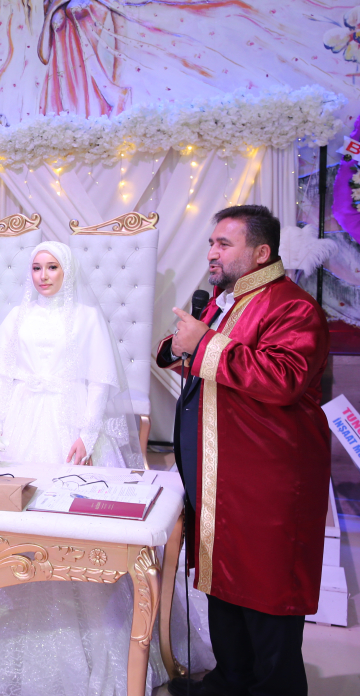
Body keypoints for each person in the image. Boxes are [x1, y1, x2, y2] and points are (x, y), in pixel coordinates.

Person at [0, 241, 201, 695]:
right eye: (36, 267)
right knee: (7, 528)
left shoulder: (86, 318)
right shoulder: (18, 316)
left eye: (52, 267)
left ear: (66, 270)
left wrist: (87, 433)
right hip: (21, 424)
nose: (43, 275)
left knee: (70, 526)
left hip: (68, 425)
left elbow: (98, 381)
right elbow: (1, 378)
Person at [158, 205, 330, 696]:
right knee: (224, 582)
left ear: (260, 252)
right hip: (223, 475)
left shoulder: (292, 307)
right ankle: (228, 682)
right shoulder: (225, 300)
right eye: (211, 243)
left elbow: (284, 379)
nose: (212, 253)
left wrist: (204, 343)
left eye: (224, 244)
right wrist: (183, 344)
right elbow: (198, 351)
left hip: (268, 480)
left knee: (267, 590)